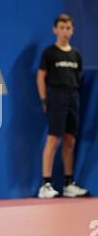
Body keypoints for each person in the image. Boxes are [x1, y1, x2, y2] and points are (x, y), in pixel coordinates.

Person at [37, 14, 88, 199]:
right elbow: (40, 76)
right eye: (62, 27)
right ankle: (46, 184)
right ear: (55, 30)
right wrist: (44, 100)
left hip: (73, 96)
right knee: (53, 140)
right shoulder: (49, 53)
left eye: (68, 28)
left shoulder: (76, 54)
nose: (65, 31)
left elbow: (78, 77)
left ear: (72, 30)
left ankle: (68, 183)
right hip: (55, 97)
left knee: (70, 140)